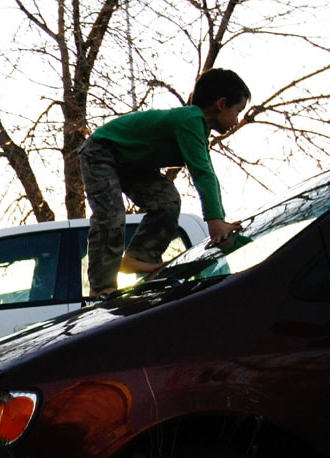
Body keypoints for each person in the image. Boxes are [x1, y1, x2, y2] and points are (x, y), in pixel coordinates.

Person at [79, 68, 251, 298]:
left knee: (167, 201)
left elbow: (205, 170)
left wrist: (219, 218)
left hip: (131, 163)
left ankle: (139, 257)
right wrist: (215, 220)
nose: (237, 120)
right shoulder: (190, 119)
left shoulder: (196, 126)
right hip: (102, 151)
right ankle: (101, 286)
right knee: (110, 215)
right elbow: (203, 173)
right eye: (237, 111)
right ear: (221, 104)